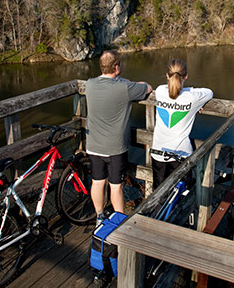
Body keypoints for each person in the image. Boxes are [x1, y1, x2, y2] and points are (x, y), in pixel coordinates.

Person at [85, 50, 152, 225]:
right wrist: (129, 82)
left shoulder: (90, 84)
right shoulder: (124, 88)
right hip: (115, 148)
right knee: (116, 186)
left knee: (97, 182)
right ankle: (119, 220)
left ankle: (100, 216)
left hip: (93, 145)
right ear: (117, 67)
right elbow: (147, 87)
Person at [151, 59, 213, 189]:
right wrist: (192, 97)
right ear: (186, 76)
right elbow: (209, 92)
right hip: (180, 155)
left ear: (167, 75)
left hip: (158, 152)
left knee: (158, 195)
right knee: (181, 195)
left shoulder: (160, 91)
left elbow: (171, 91)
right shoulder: (192, 98)